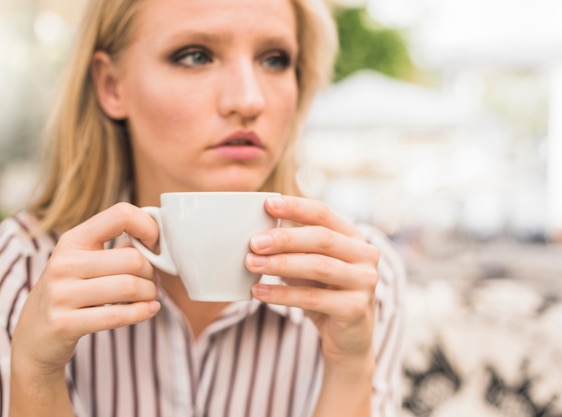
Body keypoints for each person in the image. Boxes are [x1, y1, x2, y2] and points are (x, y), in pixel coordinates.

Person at [0, 0, 405, 416]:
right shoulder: (20, 268)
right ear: (111, 85)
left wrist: (350, 367)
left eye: (274, 59)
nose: (248, 100)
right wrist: (34, 372)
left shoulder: (360, 277)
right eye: (196, 55)